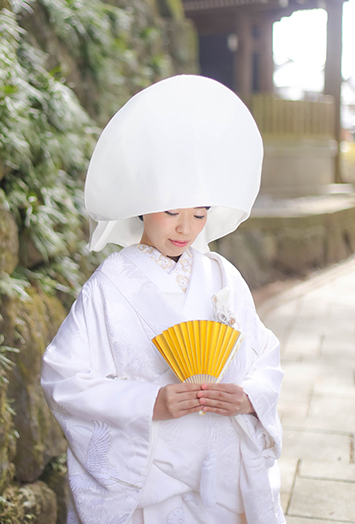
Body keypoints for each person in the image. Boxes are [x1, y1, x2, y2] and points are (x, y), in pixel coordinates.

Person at [41, 75, 285, 524]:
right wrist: (149, 402)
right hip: (148, 481)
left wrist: (248, 396)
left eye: (199, 213)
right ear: (142, 203)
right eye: (171, 211)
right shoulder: (109, 285)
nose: (185, 229)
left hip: (223, 475)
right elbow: (63, 377)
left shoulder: (222, 276)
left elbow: (264, 356)